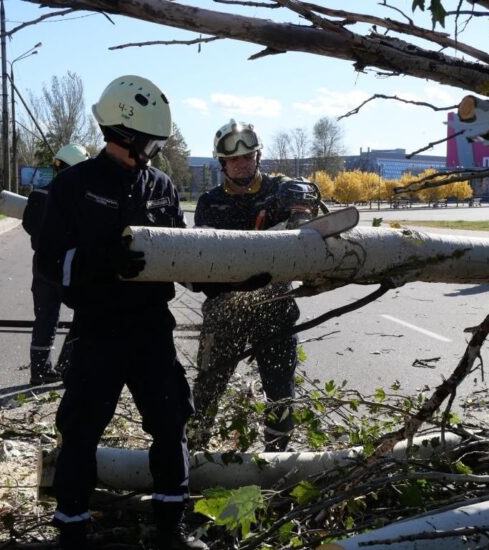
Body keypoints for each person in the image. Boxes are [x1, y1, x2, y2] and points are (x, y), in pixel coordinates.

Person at [35, 75, 208, 550]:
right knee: (81, 429)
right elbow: (49, 263)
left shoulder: (161, 186)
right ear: (125, 133)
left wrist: (218, 275)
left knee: (171, 421)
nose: (156, 148)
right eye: (152, 140)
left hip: (152, 329)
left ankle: (170, 528)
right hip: (98, 329)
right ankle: (72, 531)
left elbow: (181, 254)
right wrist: (100, 262)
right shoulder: (74, 186)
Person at [190, 120, 302, 453]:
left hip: (276, 307)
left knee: (280, 395)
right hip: (225, 308)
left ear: (258, 156)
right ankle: (192, 455)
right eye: (235, 159)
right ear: (222, 163)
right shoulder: (210, 203)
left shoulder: (279, 189)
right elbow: (201, 264)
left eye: (248, 157)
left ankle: (276, 462)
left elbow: (308, 214)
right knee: (207, 387)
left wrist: (299, 200)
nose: (242, 163)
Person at [22, 143, 89, 386]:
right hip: (69, 266)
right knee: (83, 314)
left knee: (44, 317)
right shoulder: (78, 199)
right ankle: (67, 367)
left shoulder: (38, 195)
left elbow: (28, 225)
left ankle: (39, 371)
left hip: (40, 265)